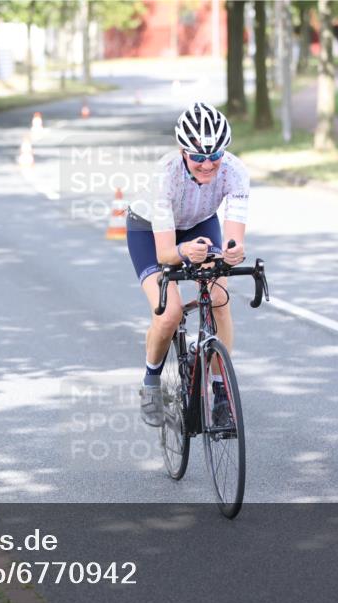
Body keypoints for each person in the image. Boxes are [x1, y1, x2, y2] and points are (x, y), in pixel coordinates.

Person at [126, 102, 249, 427]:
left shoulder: (235, 172)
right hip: (149, 230)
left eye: (215, 155)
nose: (207, 164)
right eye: (197, 157)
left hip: (199, 224)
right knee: (169, 314)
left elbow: (234, 238)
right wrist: (184, 251)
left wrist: (232, 253)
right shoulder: (165, 176)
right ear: (183, 152)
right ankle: (151, 383)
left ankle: (221, 392)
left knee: (220, 298)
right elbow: (167, 253)